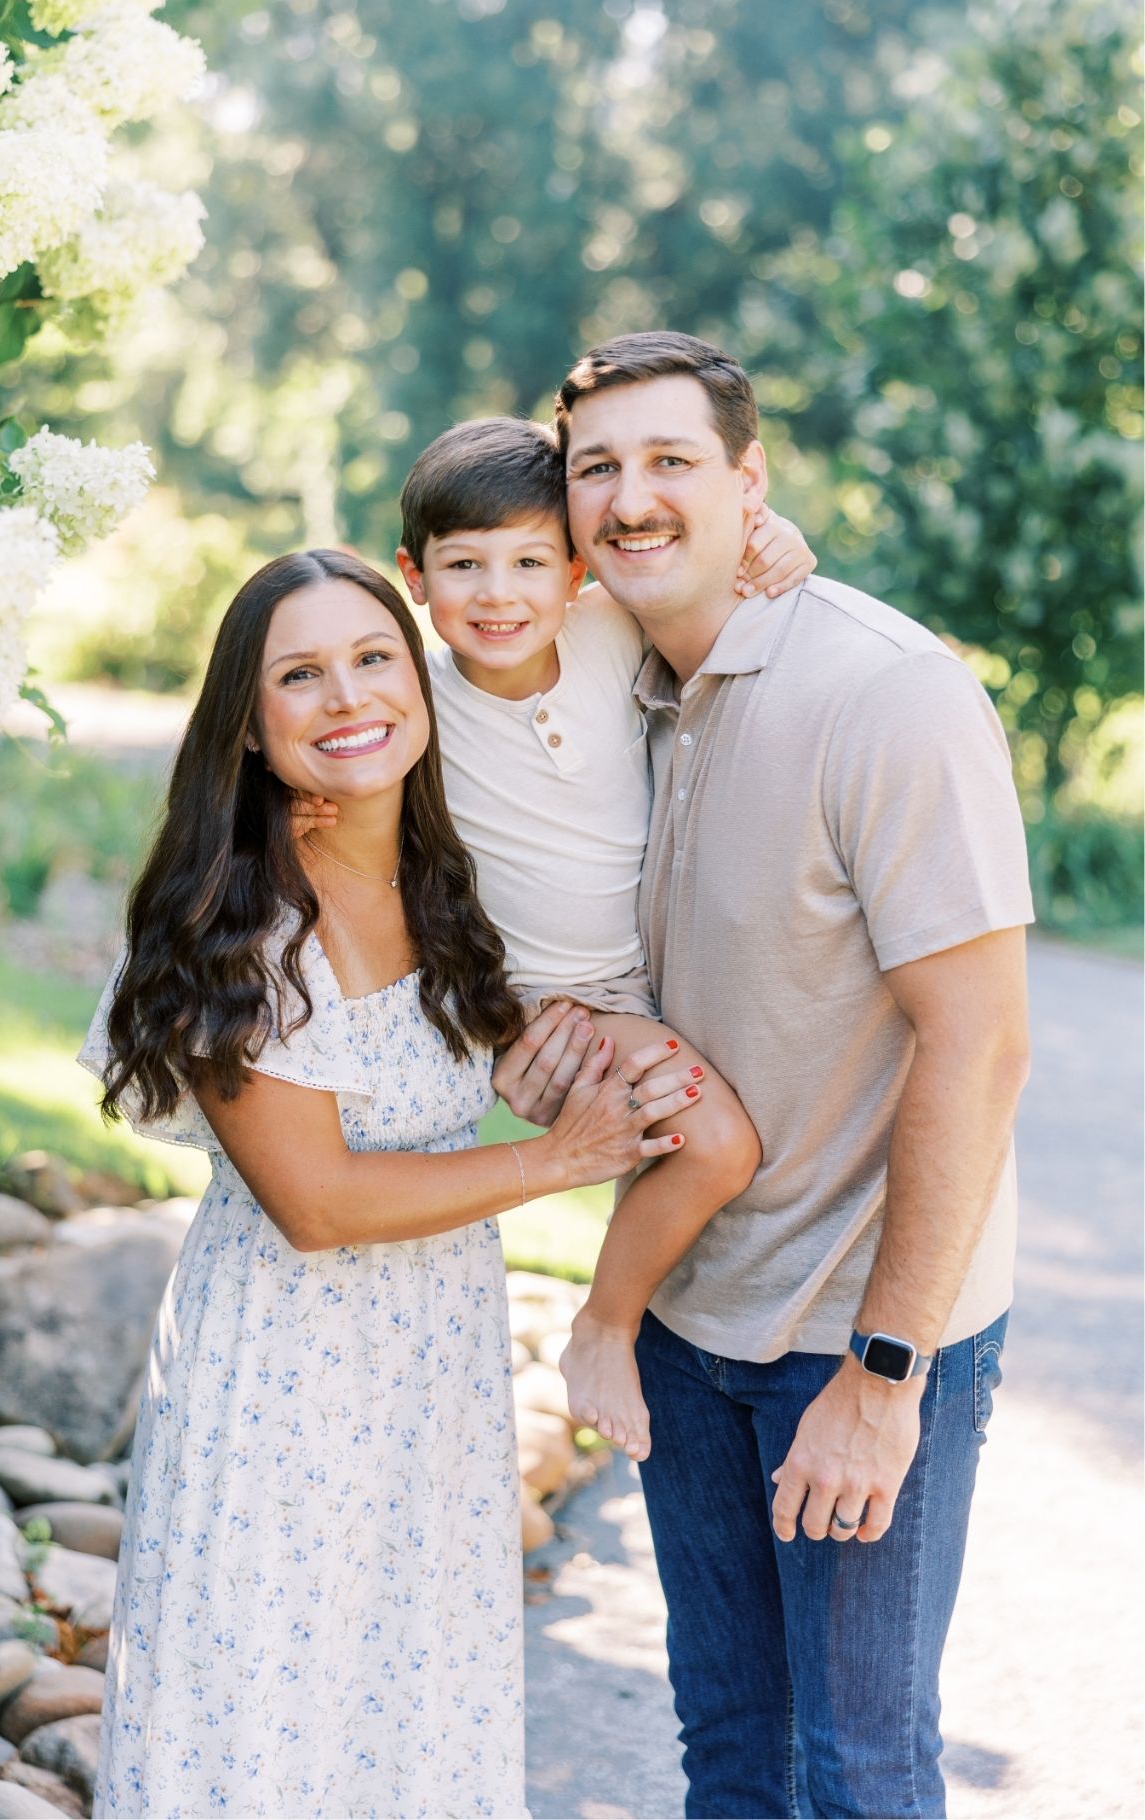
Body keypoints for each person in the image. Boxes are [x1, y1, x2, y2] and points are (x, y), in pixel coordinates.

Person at [77, 547, 701, 1819]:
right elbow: (317, 1203)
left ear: (419, 682)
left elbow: (566, 595)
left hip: (430, 1371)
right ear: (247, 725)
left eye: (373, 657)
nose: (348, 694)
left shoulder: (444, 877)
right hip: (282, 1382)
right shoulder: (236, 920)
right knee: (267, 1725)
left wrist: (762, 549)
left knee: (411, 1712)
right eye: (299, 674)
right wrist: (557, 1159)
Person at [503, 330, 1035, 1819]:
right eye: (597, 468)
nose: (630, 498)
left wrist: (884, 1373)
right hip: (687, 1320)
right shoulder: (610, 679)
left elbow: (982, 1041)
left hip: (855, 1331)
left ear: (750, 483)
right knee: (734, 1758)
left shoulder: (885, 694)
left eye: (671, 460)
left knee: (858, 1771)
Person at [295, 416, 818, 1461]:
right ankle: (605, 1326)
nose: (498, 594)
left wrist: (776, 536)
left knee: (711, 1136)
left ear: (578, 569)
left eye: (530, 562)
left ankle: (679, 1327)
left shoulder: (610, 630)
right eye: (463, 566)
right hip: (554, 1000)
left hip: (650, 971)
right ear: (414, 575)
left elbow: (718, 565)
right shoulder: (416, 704)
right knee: (718, 1144)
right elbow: (331, 767)